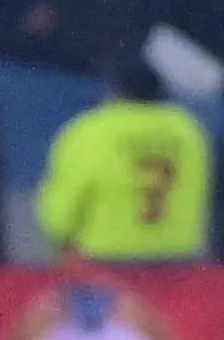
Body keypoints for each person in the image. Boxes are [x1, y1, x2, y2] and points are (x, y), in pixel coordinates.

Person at [33, 51, 211, 262]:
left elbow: (62, 208)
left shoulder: (92, 130)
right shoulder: (187, 130)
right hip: (178, 259)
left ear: (114, 90)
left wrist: (60, 238)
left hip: (107, 260)